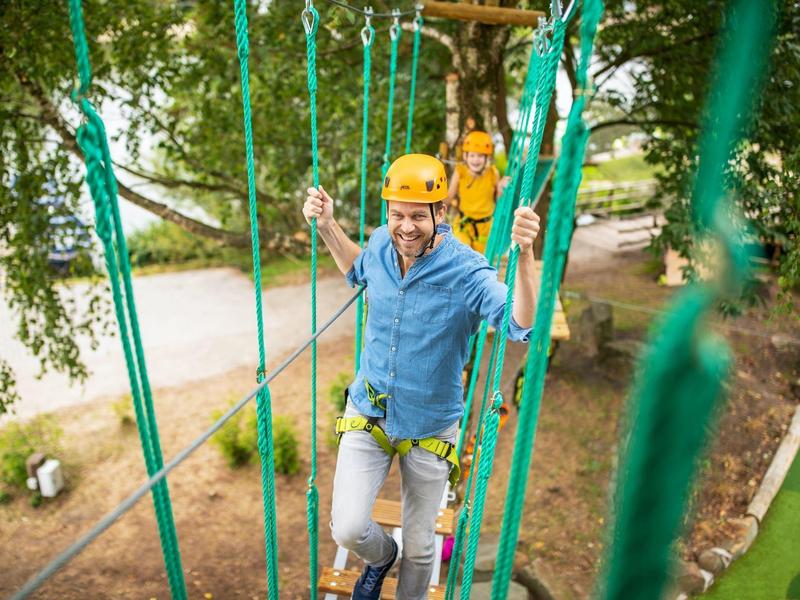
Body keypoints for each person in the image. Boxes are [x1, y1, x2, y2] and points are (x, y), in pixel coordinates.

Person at [302, 153, 540, 600]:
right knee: (348, 528)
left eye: (417, 216)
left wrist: (525, 256)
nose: (406, 227)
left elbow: (519, 325)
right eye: (397, 215)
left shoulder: (468, 271)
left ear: (440, 213)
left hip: (431, 424)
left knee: (421, 546)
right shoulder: (379, 244)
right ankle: (379, 556)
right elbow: (357, 268)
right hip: (368, 411)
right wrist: (328, 226)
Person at [447, 130, 509, 254]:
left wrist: (502, 187)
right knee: (463, 253)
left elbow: (498, 198)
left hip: (485, 228)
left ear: (487, 158)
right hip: (464, 225)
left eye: (480, 156)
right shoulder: (460, 171)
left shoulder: (492, 173)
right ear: (465, 156)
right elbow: (449, 197)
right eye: (472, 156)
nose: (476, 160)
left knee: (482, 262)